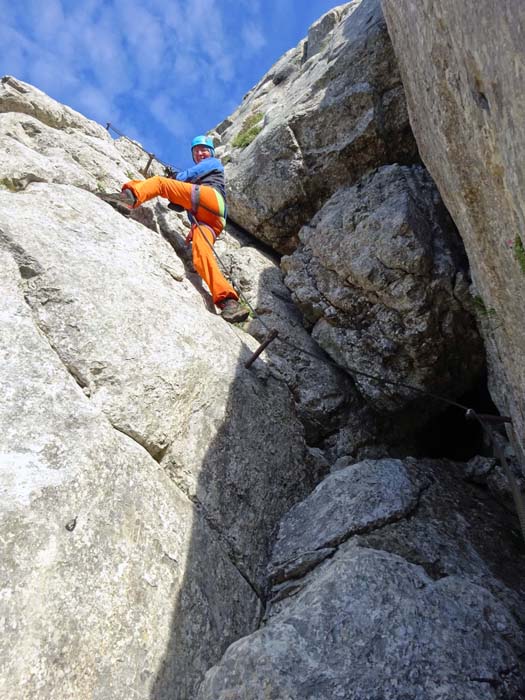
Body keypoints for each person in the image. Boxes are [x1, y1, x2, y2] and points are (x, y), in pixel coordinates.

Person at [120, 135, 249, 324]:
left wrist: (174, 179)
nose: (200, 153)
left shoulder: (213, 163)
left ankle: (128, 197)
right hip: (212, 220)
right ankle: (228, 301)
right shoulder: (205, 172)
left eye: (204, 149)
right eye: (196, 151)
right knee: (201, 256)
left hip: (209, 199)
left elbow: (185, 177)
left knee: (159, 182)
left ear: (211, 152)